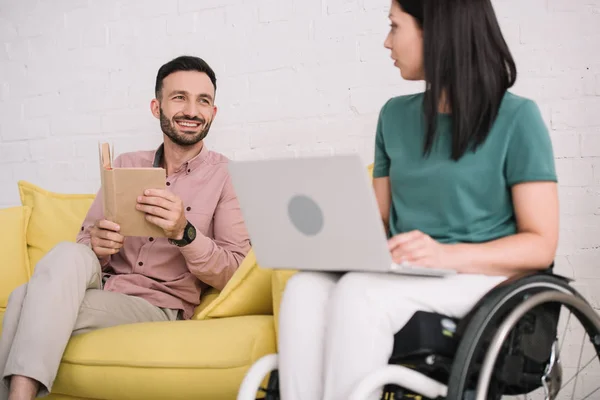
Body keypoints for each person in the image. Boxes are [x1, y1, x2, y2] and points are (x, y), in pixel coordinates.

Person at [277, 0, 559, 399]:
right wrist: (333, 242)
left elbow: (541, 244)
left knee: (360, 295)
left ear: (436, 31)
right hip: (408, 273)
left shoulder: (517, 118)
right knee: (303, 289)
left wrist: (445, 256)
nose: (386, 42)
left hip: (482, 277)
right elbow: (378, 217)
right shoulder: (393, 116)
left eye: (394, 27)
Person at [0, 55, 251, 400]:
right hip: (103, 287)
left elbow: (235, 271)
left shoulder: (227, 177)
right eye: (179, 97)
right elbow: (85, 242)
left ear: (213, 112)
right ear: (156, 106)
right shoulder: (125, 164)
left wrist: (184, 232)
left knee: (22, 298)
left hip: (157, 303)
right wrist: (97, 246)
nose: (192, 110)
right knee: (70, 252)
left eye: (203, 100)